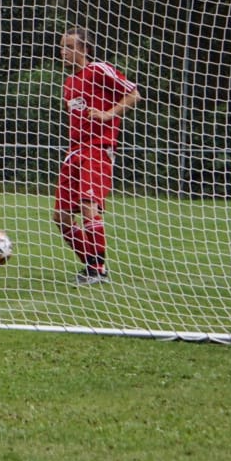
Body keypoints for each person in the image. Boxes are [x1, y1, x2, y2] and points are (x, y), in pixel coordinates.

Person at [56, 25, 140, 285]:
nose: (64, 52)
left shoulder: (99, 70)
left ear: (84, 49)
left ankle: (98, 268)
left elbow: (134, 94)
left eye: (70, 47)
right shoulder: (69, 84)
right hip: (74, 151)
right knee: (61, 217)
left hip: (97, 149)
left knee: (88, 205)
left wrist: (107, 114)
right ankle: (91, 264)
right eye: (62, 46)